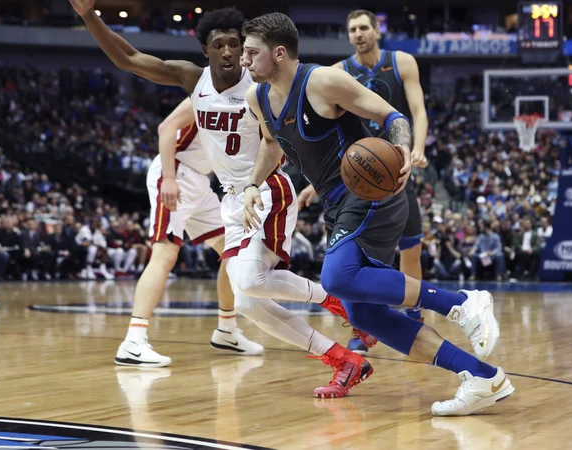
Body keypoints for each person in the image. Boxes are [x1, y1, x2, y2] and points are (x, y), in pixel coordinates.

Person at [70, 1, 375, 397]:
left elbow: (275, 145)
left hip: (265, 191)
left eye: (236, 44)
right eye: (219, 45)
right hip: (230, 200)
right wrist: (89, 16)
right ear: (206, 51)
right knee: (248, 302)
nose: (229, 51)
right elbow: (128, 58)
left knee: (248, 280)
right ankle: (342, 359)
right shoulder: (191, 79)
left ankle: (343, 304)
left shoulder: (260, 88)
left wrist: (255, 184)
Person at [240, 12, 514, 416]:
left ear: (278, 53)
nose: (244, 60)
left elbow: (393, 116)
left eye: (250, 52)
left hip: (370, 189)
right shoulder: (257, 97)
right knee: (362, 311)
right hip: (337, 204)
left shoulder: (322, 81)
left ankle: (463, 302)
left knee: (337, 277)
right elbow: (271, 144)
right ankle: (481, 377)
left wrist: (401, 147)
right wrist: (251, 184)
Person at [297, 9, 429, 354]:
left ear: (376, 30)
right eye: (352, 29)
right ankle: (363, 326)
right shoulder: (339, 72)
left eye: (363, 28)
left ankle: (413, 314)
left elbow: (417, 110)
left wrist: (417, 149)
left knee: (411, 246)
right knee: (356, 256)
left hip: (393, 163)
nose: (358, 34)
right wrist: (317, 183)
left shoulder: (402, 62)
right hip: (355, 173)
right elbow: (328, 136)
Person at [115, 100, 263, 368]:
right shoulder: (207, 89)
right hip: (175, 172)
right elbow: (166, 127)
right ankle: (133, 341)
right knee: (165, 254)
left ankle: (226, 330)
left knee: (233, 252)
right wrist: (169, 178)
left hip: (200, 182)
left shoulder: (250, 97)